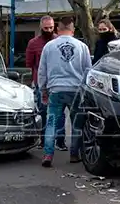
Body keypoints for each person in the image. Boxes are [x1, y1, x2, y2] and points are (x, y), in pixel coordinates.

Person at [37, 16, 92, 167]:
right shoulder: (82, 47)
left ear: (58, 29)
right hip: (76, 90)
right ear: (73, 30)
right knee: (76, 124)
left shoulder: (49, 46)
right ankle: (74, 154)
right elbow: (88, 71)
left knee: (51, 123)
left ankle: (48, 154)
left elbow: (42, 71)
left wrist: (43, 89)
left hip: (55, 89)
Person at [25, 16, 66, 149]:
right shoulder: (33, 43)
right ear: (41, 27)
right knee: (42, 112)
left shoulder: (59, 41)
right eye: (46, 28)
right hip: (41, 82)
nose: (48, 30)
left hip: (57, 81)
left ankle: (60, 141)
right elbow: (29, 63)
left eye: (51, 27)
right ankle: (43, 140)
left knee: (59, 113)